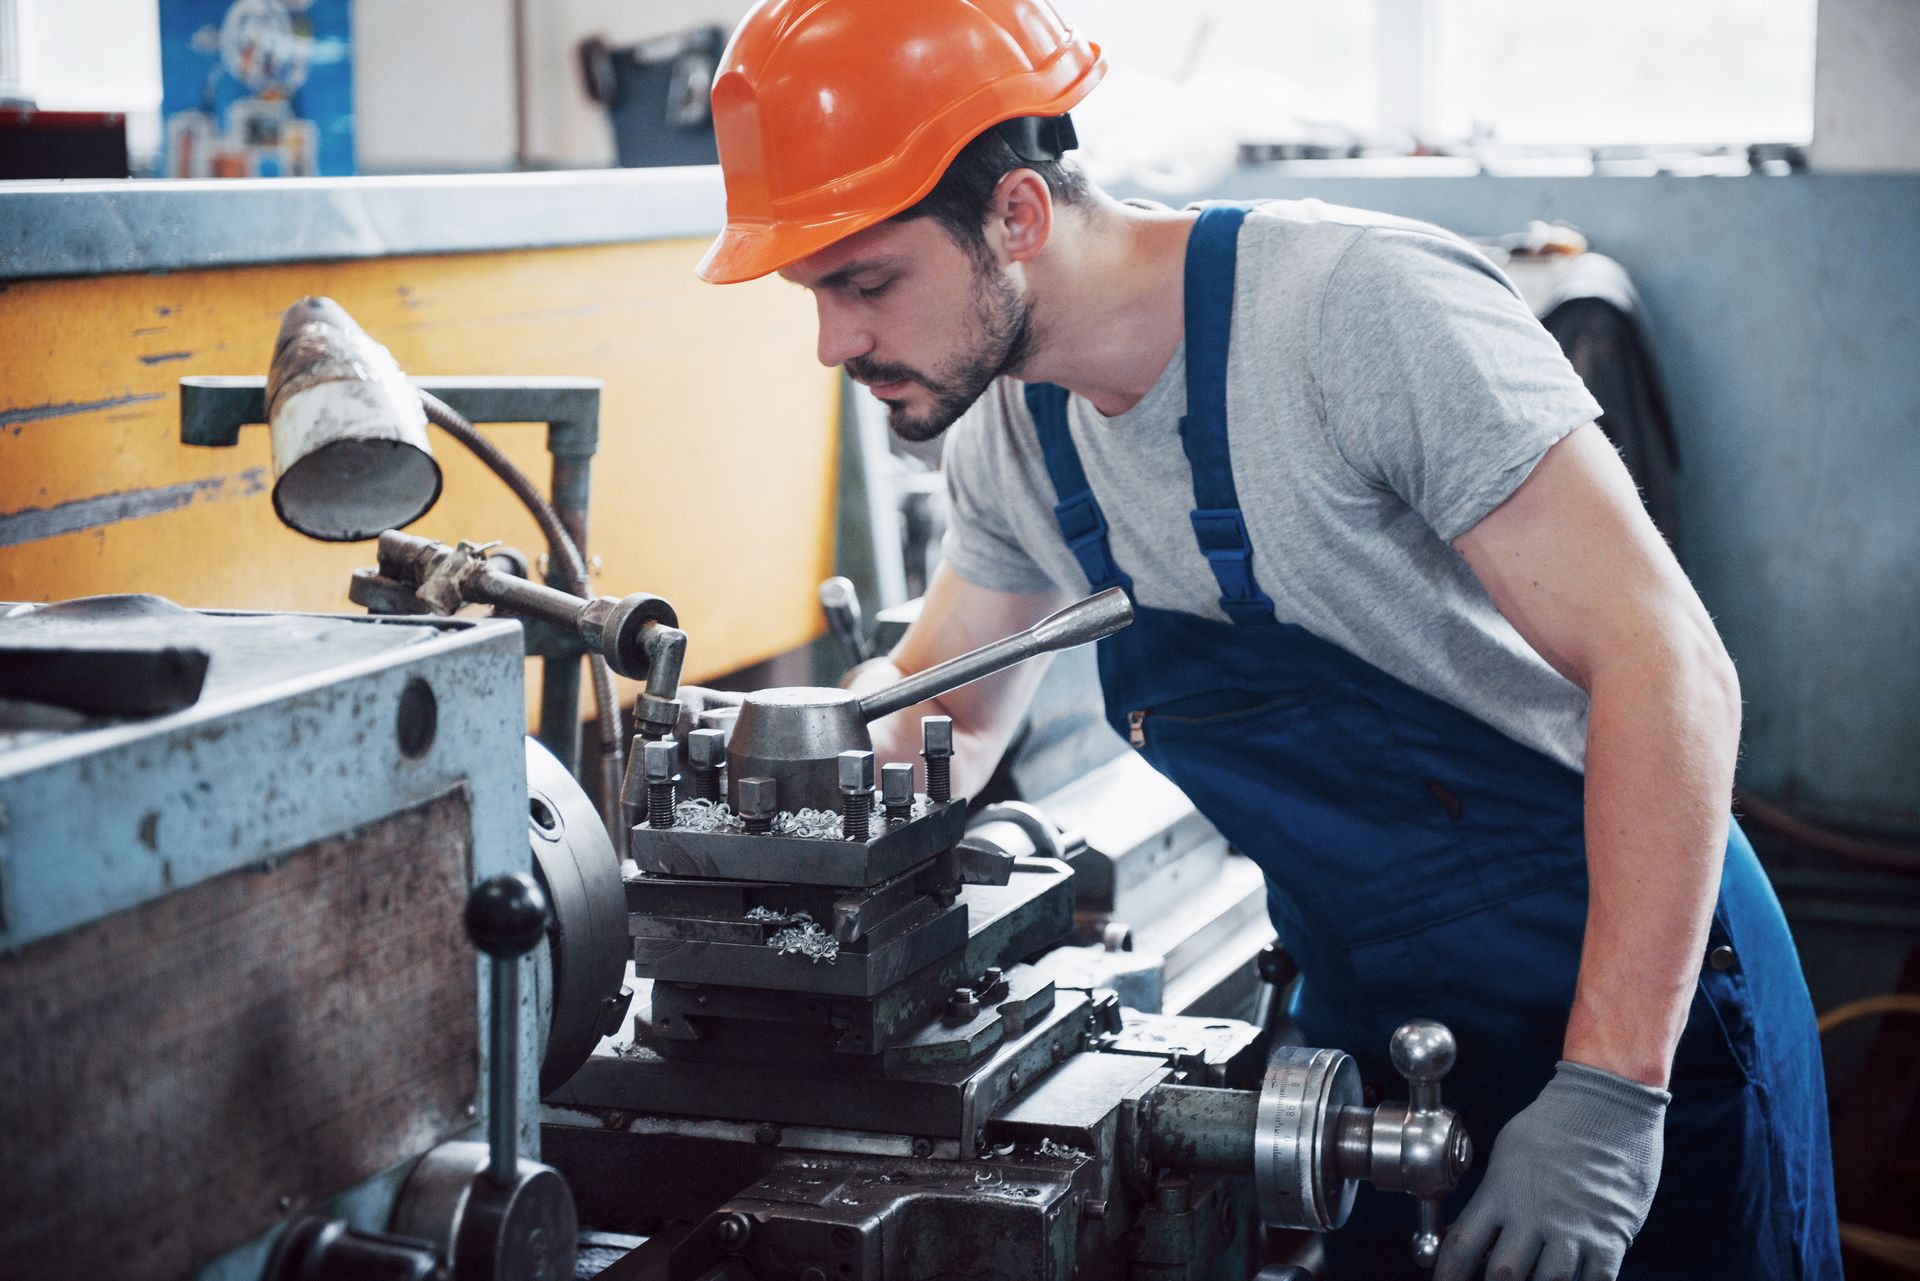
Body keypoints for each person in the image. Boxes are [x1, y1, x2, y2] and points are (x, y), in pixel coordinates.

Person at [693, 2, 1842, 1278]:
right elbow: (953, 703)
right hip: (1379, 1025)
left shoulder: (1358, 311)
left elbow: (1667, 665)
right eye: (815, 292)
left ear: (1017, 215)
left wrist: (1613, 1095)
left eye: (866, 282)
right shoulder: (1021, 430)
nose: (834, 341)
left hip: (1630, 997)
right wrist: (774, 783)